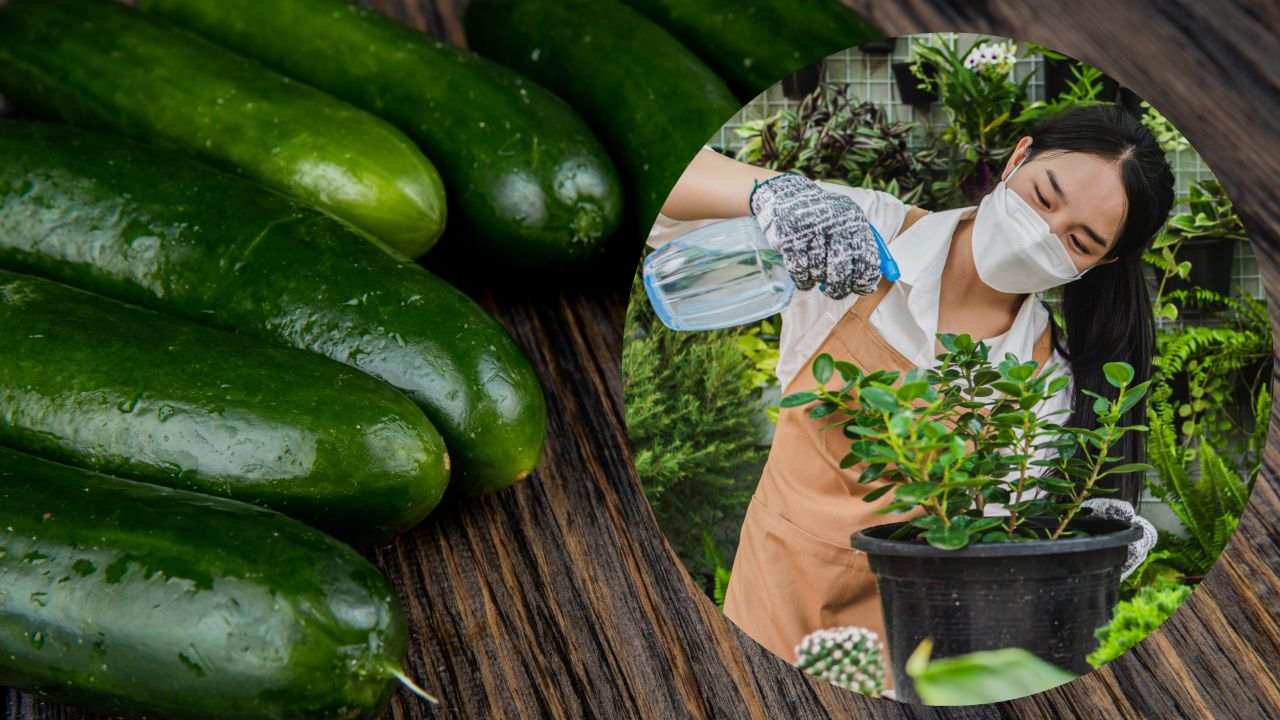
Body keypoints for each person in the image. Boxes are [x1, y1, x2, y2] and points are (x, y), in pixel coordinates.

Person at [650, 105, 1170, 677]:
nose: (1039, 235)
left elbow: (991, 562)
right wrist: (772, 193)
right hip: (765, 613)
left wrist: (1071, 555)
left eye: (1079, 240)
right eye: (1045, 197)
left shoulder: (1049, 377)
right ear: (1018, 156)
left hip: (906, 662)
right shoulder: (861, 234)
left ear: (1104, 261)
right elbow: (666, 185)